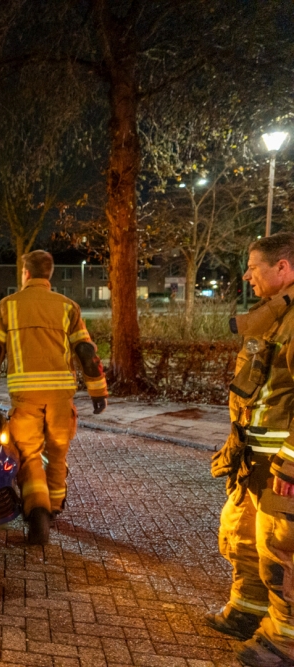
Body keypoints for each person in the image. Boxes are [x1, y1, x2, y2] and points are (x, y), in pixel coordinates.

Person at [0, 249, 108, 545]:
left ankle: (37, 511)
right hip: (61, 397)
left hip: (25, 397)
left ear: (25, 273)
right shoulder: (68, 307)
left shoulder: (8, 306)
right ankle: (54, 508)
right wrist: (98, 390)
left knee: (30, 454)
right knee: (58, 452)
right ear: (49, 274)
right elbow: (87, 354)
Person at [209, 232, 294, 667]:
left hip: (282, 463)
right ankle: (248, 612)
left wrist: (290, 466)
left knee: (282, 551)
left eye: (254, 266)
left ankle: (283, 643)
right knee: (242, 535)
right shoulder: (274, 314)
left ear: (283, 268)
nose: (247, 275)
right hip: (252, 455)